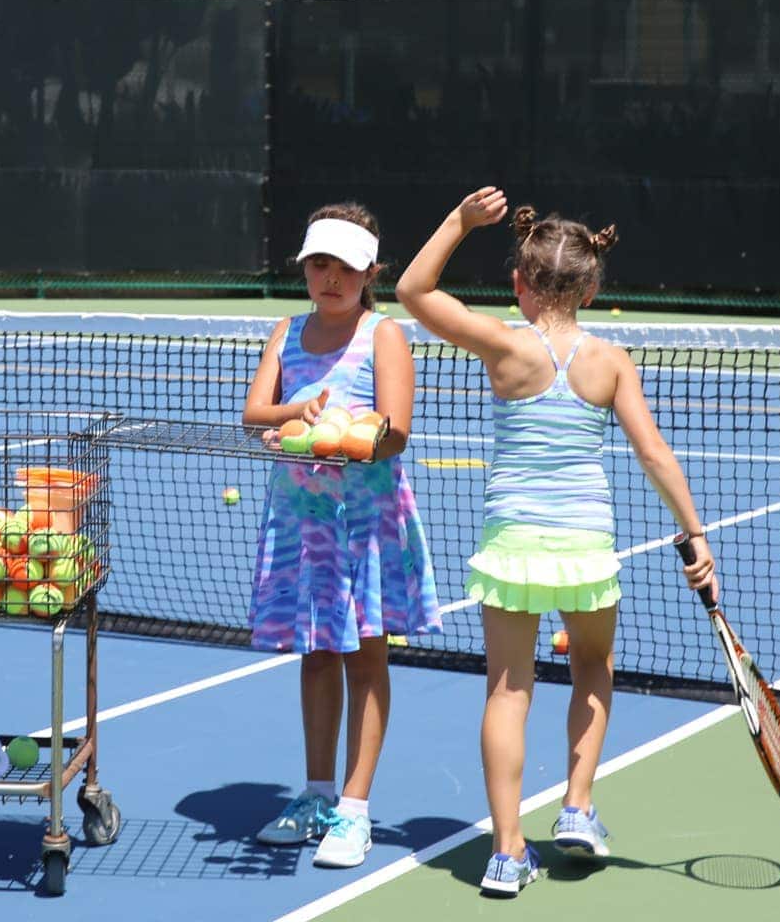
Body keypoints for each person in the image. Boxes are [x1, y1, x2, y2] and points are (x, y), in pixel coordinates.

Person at [396, 186, 715, 898]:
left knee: (507, 693)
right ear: (593, 286)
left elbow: (413, 290)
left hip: (511, 545)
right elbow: (656, 456)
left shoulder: (503, 345)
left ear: (519, 282)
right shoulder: (610, 361)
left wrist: (457, 221)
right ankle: (577, 805)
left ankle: (507, 853)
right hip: (584, 547)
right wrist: (695, 533)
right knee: (592, 669)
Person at [241, 202, 443, 869]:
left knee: (365, 657)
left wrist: (338, 438)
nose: (329, 278)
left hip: (365, 527)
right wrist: (298, 421)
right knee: (316, 654)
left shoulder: (384, 335)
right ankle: (318, 794)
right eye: (318, 264)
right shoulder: (285, 331)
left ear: (371, 272)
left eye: (345, 267)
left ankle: (355, 810)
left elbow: (397, 431)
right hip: (302, 524)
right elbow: (255, 414)